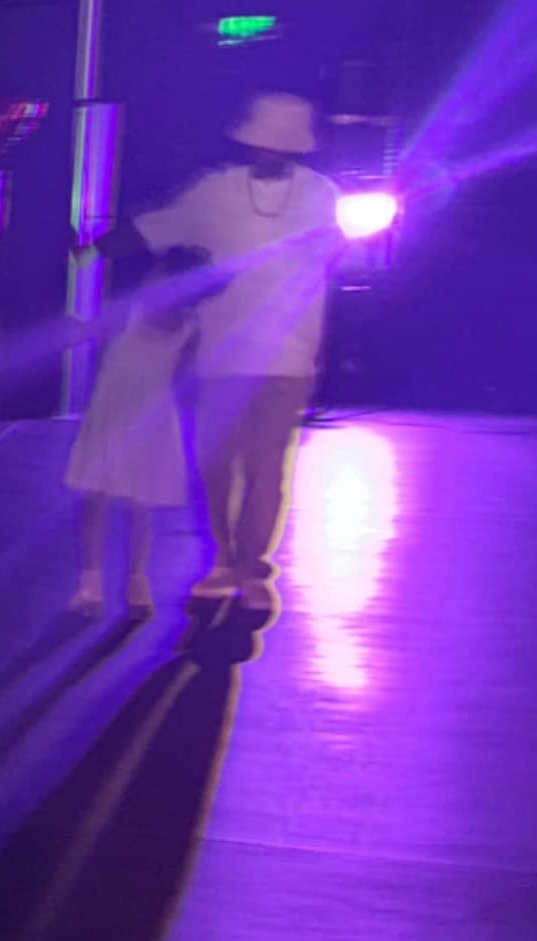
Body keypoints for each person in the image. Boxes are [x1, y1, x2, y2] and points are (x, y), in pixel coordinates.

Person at [131, 92, 342, 614]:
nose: (266, 152)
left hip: (288, 354)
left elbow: (334, 257)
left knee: (266, 466)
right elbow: (159, 228)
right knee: (216, 465)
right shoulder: (215, 190)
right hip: (222, 353)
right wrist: (93, 244)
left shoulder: (321, 195)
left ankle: (250, 567)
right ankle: (223, 558)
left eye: (277, 145)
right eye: (259, 143)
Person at [63, 232, 204, 617]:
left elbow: (189, 373)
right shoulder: (152, 314)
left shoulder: (173, 319)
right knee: (113, 498)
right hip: (131, 409)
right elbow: (91, 332)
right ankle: (110, 583)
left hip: (138, 412)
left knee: (120, 498)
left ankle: (119, 581)